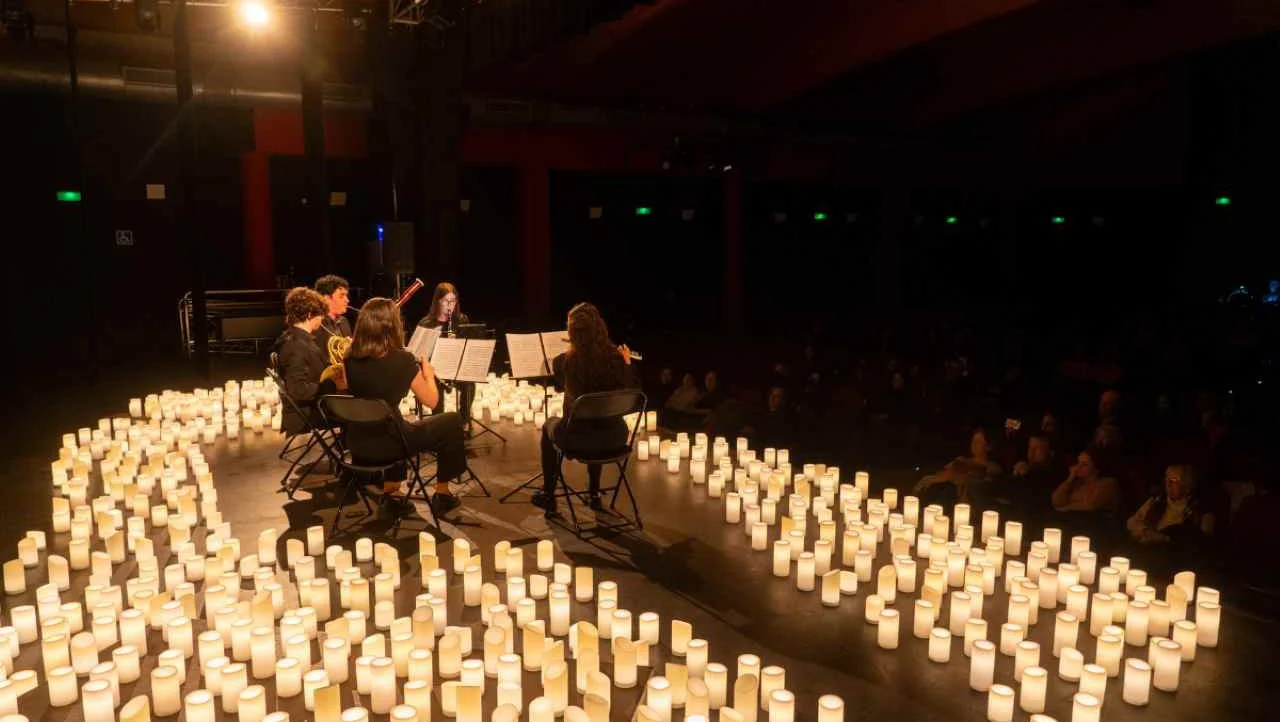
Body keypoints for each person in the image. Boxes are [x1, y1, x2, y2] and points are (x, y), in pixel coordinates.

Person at [343, 297, 466, 518]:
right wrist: (428, 375)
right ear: (392, 326)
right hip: (392, 444)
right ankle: (443, 493)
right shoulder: (402, 360)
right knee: (451, 421)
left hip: (358, 444)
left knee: (393, 421)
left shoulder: (349, 357)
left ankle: (393, 495)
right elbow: (431, 401)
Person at [532, 302, 636, 518]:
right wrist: (627, 363)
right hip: (615, 437)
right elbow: (632, 390)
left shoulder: (564, 362)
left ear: (572, 333)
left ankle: (549, 495)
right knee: (598, 419)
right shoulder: (617, 358)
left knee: (549, 426)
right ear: (600, 327)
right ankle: (595, 493)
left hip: (578, 439)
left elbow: (561, 384)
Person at [273, 288, 345, 434]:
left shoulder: (296, 339)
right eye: (320, 315)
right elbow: (299, 391)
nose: (321, 319)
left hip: (314, 407)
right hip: (310, 414)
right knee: (358, 410)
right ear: (310, 315)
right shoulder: (296, 346)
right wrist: (333, 385)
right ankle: (352, 450)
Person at [1126, 465, 1215, 544]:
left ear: (1187, 486)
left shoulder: (1200, 510)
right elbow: (1132, 522)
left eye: (1173, 480)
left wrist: (1164, 538)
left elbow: (1203, 542)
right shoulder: (1158, 499)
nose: (1168, 484)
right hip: (1147, 547)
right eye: (1166, 479)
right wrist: (1145, 531)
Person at [914, 427, 1003, 504]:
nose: (974, 444)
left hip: (963, 499)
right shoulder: (961, 460)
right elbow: (943, 473)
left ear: (988, 446)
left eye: (979, 442)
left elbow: (986, 485)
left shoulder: (992, 466)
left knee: (950, 489)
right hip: (945, 490)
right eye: (973, 440)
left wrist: (964, 477)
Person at [1051, 448, 1120, 515]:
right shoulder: (1076, 483)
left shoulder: (1108, 483)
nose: (1078, 467)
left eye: (1084, 464)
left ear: (1096, 467)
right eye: (1078, 463)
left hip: (1097, 522)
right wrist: (1070, 479)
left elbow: (1092, 505)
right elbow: (1056, 501)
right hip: (1072, 521)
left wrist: (1067, 508)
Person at [314, 274, 353, 353]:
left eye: (346, 296)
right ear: (326, 298)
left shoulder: (344, 321)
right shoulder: (317, 325)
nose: (347, 300)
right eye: (341, 296)